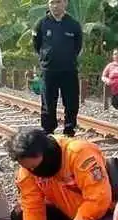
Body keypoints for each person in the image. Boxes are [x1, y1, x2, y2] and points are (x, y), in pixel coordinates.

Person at [7, 127, 113, 220]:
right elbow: (32, 208)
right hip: (68, 213)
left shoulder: (79, 153)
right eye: (29, 168)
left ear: (46, 152)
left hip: (103, 215)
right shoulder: (27, 171)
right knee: (19, 215)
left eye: (35, 166)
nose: (34, 171)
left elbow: (98, 200)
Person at [33, 0, 83, 136]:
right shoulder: (41, 23)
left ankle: (69, 128)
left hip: (69, 70)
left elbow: (78, 46)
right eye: (52, 2)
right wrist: (46, 57)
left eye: (58, 2)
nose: (55, 5)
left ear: (65, 3)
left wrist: (68, 58)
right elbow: (37, 45)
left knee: (71, 101)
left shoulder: (73, 24)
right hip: (49, 70)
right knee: (48, 102)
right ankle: (48, 130)